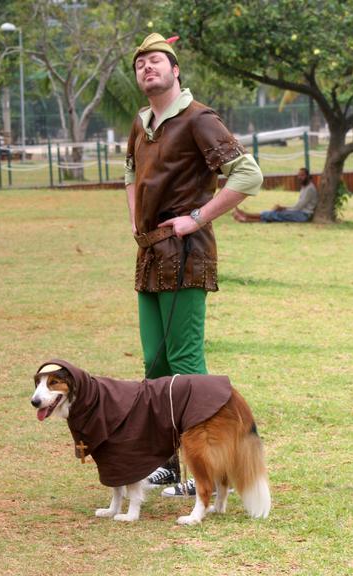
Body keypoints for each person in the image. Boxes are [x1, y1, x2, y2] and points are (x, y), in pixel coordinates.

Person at [125, 33, 263, 496]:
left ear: (176, 69)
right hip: (150, 255)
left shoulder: (198, 118)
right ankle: (168, 463)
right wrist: (135, 224)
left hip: (186, 255)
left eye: (157, 60)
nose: (148, 67)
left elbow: (248, 174)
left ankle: (209, 469)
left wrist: (198, 217)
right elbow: (130, 174)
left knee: (185, 363)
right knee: (155, 362)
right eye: (141, 62)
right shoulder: (142, 123)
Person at [233, 168, 318, 223]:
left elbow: (298, 207)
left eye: (302, 175)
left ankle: (246, 215)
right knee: (275, 216)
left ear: (307, 176)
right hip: (300, 213)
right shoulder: (305, 186)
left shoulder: (310, 189)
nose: (299, 177)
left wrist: (283, 208)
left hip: (303, 215)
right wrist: (283, 208)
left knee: (276, 214)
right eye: (298, 175)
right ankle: (246, 219)